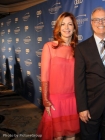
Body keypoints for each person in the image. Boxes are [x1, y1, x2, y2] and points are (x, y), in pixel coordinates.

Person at [74, 7, 105, 140]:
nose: (100, 22)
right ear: (91, 23)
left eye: (104, 19)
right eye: (96, 19)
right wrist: (82, 108)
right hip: (90, 107)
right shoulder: (81, 48)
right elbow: (79, 81)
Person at [37, 12, 80, 140]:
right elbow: (44, 75)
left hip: (73, 99)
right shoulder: (49, 47)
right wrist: (45, 100)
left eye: (70, 24)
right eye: (63, 24)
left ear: (74, 28)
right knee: (57, 136)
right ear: (58, 27)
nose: (66, 28)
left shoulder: (78, 50)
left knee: (71, 135)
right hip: (55, 99)